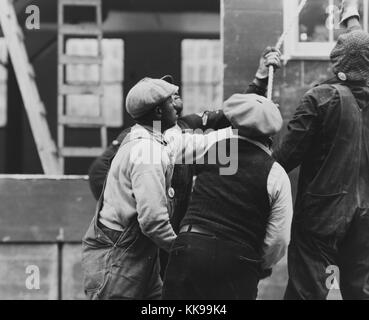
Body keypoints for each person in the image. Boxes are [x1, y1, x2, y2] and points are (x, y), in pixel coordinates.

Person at [81, 75, 239, 300]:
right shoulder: (148, 154)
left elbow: (193, 144)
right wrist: (182, 251)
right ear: (158, 112)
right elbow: (153, 221)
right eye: (171, 101)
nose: (177, 105)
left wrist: (238, 133)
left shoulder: (153, 138)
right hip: (118, 262)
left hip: (138, 255)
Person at [273, 0, 369, 300]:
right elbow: (360, 50)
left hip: (321, 218)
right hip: (364, 217)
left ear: (337, 62)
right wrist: (350, 13)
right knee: (358, 290)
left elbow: (284, 158)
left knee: (310, 291)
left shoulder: (321, 98)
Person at [162, 93, 293, 300]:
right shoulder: (277, 174)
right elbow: (278, 240)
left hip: (190, 248)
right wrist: (259, 263)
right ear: (271, 136)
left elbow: (168, 147)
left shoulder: (212, 146)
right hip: (239, 261)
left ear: (233, 123)